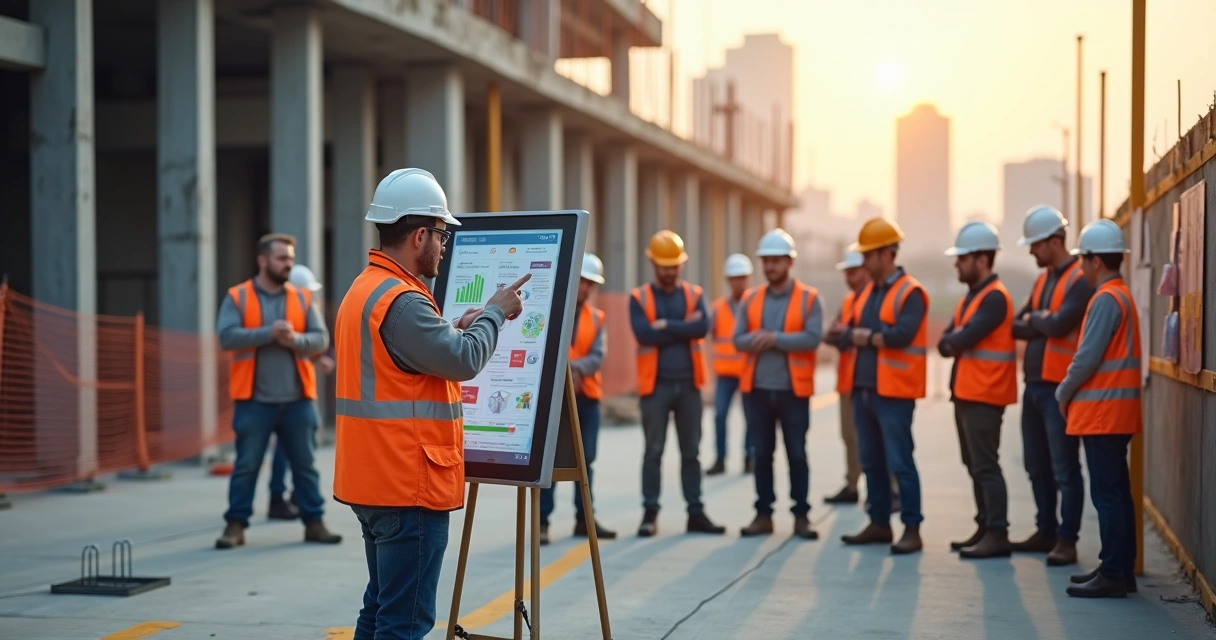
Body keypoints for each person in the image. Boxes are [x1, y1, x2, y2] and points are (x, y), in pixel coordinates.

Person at [332, 168, 528, 637]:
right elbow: (463, 361)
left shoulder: (366, 289)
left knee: (379, 610)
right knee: (405, 621)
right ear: (420, 234)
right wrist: (496, 313)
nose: (443, 245)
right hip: (407, 487)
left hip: (373, 479)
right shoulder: (403, 302)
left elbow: (406, 360)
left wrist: (455, 325)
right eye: (440, 234)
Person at [215, 234, 342, 549]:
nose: (288, 264)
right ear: (262, 260)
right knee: (246, 465)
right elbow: (227, 337)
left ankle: (314, 523)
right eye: (282, 258)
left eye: (290, 258)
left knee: (306, 466)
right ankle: (235, 525)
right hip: (254, 401)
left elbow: (321, 340)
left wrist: (294, 340)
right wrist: (268, 334)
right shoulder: (238, 297)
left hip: (297, 400)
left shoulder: (301, 299)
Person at [1058, 219, 1142, 599]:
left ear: (1094, 260)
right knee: (1118, 493)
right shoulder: (1120, 294)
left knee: (1107, 495)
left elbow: (1086, 357)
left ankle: (1112, 573)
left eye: (1081, 259)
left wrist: (1063, 392)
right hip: (1116, 412)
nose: (1079, 267)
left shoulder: (1105, 299)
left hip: (1103, 414)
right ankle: (1120, 569)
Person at [837, 217, 929, 555]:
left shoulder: (910, 292)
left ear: (886, 254)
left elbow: (902, 333)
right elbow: (850, 331)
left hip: (894, 393)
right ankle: (878, 523)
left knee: (899, 462)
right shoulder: (866, 295)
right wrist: (850, 335)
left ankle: (911, 527)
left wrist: (868, 337)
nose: (863, 263)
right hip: (863, 389)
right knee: (871, 460)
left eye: (868, 256)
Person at [1011, 205, 1094, 566]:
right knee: (1036, 464)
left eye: (1035, 244)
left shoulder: (1079, 279)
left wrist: (1038, 319)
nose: (1030, 251)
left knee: (1064, 467)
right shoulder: (1042, 280)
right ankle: (1045, 529)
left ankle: (1066, 540)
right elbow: (1018, 324)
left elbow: (1060, 326)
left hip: (1060, 388)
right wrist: (1041, 320)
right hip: (1033, 386)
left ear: (1055, 241)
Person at [630, 230, 726, 537]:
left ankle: (695, 513)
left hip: (689, 387)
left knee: (691, 453)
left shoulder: (695, 294)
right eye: (664, 266)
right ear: (653, 263)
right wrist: (685, 328)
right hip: (655, 387)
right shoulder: (638, 298)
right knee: (653, 452)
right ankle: (650, 514)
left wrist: (667, 325)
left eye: (675, 266)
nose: (670, 271)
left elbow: (703, 327)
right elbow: (644, 334)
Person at [735, 229, 823, 540]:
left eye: (776, 261)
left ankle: (801, 516)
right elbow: (738, 338)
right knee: (762, 454)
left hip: (793, 392)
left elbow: (812, 338)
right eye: (766, 261)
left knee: (796, 453)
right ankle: (763, 515)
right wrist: (756, 340)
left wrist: (775, 339)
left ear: (790, 262)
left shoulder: (809, 299)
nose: (770, 267)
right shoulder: (751, 298)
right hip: (757, 390)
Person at [938, 222, 1017, 559]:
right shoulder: (972, 298)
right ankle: (985, 526)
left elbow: (960, 339)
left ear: (982, 260)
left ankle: (997, 533)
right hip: (968, 392)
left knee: (986, 465)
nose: (957, 264)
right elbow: (947, 341)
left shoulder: (994, 299)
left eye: (962, 258)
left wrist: (955, 339)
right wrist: (953, 339)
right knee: (974, 464)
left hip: (985, 394)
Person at [540, 253, 618, 545]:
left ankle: (584, 519)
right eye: (582, 281)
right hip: (555, 399)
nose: (585, 288)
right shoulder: (550, 312)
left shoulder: (597, 318)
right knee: (550, 462)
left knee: (586, 461)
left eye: (590, 284)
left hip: (587, 398)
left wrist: (573, 370)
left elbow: (598, 356)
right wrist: (564, 374)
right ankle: (542, 522)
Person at [826, 251, 902, 510]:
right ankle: (852, 485)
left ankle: (889, 492)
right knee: (850, 436)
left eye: (854, 271)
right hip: (850, 380)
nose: (849, 277)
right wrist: (842, 335)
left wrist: (848, 335)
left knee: (880, 441)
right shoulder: (849, 302)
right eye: (846, 273)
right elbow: (837, 333)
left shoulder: (876, 298)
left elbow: (873, 335)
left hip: (875, 381)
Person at [266, 263, 337, 521]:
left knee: (293, 449)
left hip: (299, 392)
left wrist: (318, 358)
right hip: (287, 394)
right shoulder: (289, 313)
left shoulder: (301, 310)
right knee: (290, 450)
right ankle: (283, 497)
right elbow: (295, 347)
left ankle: (293, 495)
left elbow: (307, 345)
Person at [707, 253, 756, 476]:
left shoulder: (756, 305)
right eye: (735, 278)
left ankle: (749, 456)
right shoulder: (717, 308)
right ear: (729, 280)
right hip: (725, 373)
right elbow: (710, 334)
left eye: (743, 277)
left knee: (751, 416)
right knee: (720, 415)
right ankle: (720, 459)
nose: (739, 282)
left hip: (748, 371)